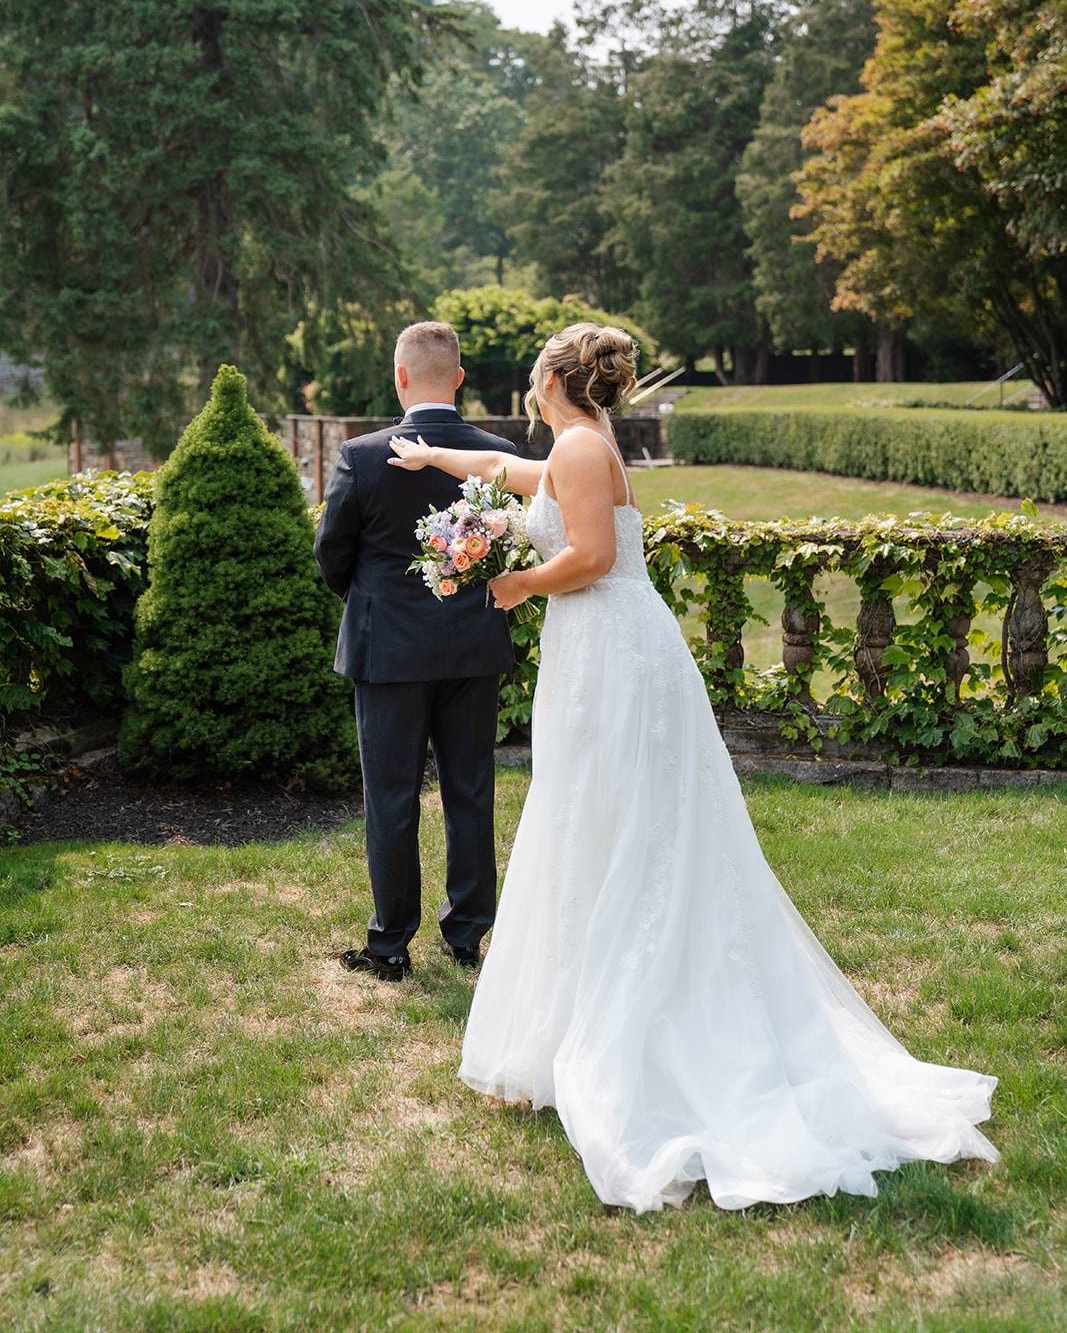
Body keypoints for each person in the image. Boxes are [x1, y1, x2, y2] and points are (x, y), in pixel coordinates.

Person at [386, 321, 999, 1212]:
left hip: (613, 651)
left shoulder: (588, 451)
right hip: (594, 651)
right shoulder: (573, 444)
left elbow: (591, 557)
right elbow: (515, 478)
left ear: (552, 377)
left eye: (533, 363)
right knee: (590, 817)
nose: (524, 372)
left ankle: (653, 1035)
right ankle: (572, 1017)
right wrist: (433, 461)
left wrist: (516, 584)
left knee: (625, 821)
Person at [314, 321, 518, 980]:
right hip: (472, 646)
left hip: (388, 651)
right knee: (470, 788)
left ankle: (389, 944)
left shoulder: (363, 454)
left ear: (400, 376)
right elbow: (505, 549)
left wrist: (372, 600)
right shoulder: (496, 452)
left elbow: (331, 551)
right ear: (458, 378)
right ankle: (466, 936)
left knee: (392, 796)